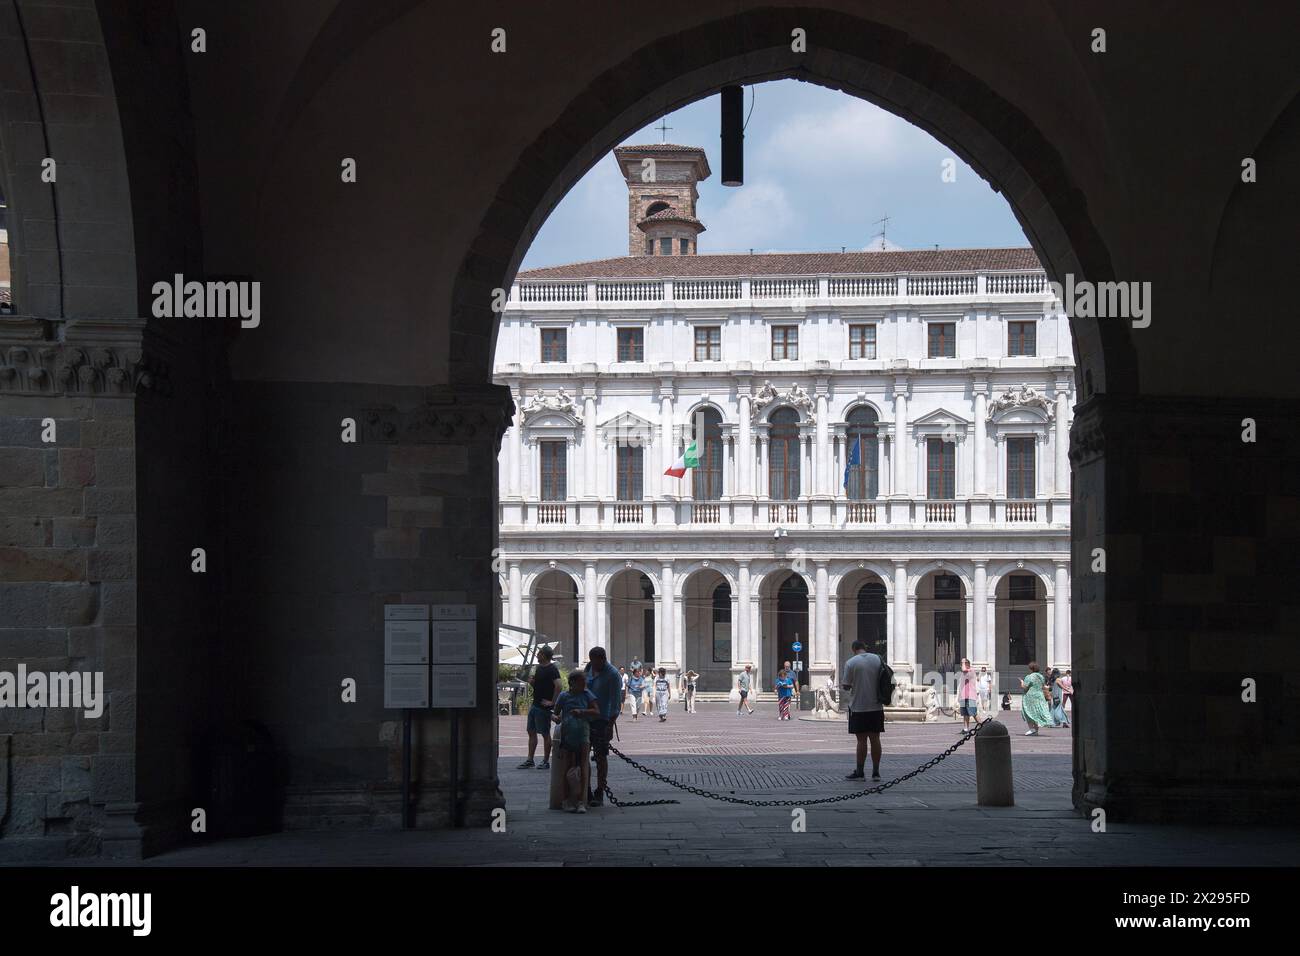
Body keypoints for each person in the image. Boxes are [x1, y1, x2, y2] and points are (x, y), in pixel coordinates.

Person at [552, 670, 599, 813]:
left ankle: (581, 801)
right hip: (568, 734)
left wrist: (582, 712)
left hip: (583, 733)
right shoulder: (564, 696)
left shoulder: (587, 695)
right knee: (567, 767)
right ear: (572, 683)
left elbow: (597, 711)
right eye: (581, 682)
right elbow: (555, 713)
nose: (584, 684)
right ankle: (567, 800)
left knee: (583, 766)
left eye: (584, 682)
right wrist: (556, 718)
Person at [583, 647, 624, 807]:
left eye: (594, 662)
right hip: (586, 717)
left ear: (602, 659)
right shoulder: (588, 669)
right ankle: (585, 789)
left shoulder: (613, 675)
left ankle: (600, 790)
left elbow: (615, 703)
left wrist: (610, 725)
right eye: (590, 661)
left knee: (601, 757)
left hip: (602, 720)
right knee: (582, 755)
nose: (592, 665)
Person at [841, 640, 884, 780]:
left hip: (858, 706)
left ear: (853, 649)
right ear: (865, 648)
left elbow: (846, 685)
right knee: (875, 739)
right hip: (876, 705)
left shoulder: (851, 662)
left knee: (861, 741)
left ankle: (860, 771)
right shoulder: (877, 659)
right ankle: (876, 772)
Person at [518, 646, 561, 770]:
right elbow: (540, 685)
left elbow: (559, 686)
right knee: (531, 732)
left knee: (545, 734)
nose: (537, 655)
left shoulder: (552, 669)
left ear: (543, 655)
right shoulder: (539, 668)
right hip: (535, 704)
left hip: (543, 707)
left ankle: (546, 761)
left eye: (539, 653)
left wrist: (552, 702)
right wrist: (533, 682)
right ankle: (530, 760)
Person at [1018, 661, 1053, 736]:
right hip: (1040, 696)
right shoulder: (1041, 676)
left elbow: (1025, 687)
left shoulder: (1029, 677)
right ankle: (1036, 730)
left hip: (1030, 697)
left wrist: (1021, 682)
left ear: (1031, 669)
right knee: (1036, 712)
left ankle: (1032, 729)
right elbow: (1043, 685)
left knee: (1028, 712)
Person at [956, 657, 979, 733]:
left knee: (973, 713)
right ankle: (966, 729)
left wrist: (963, 661)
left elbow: (964, 669)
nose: (961, 665)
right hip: (964, 696)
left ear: (968, 665)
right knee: (965, 714)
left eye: (963, 663)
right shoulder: (963, 673)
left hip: (970, 696)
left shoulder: (971, 671)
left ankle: (983, 726)